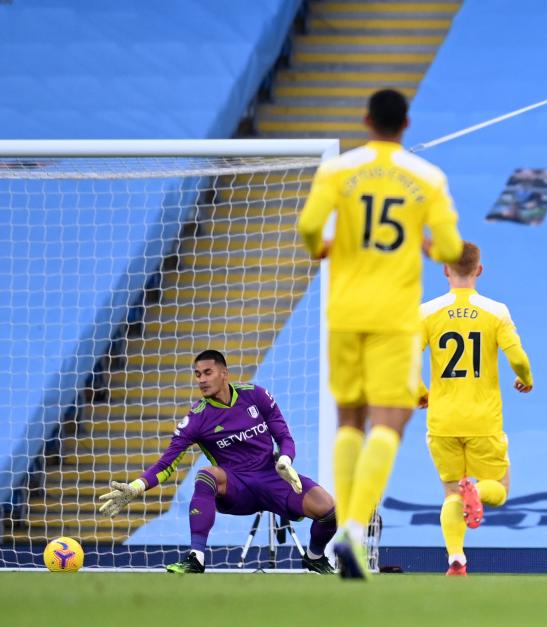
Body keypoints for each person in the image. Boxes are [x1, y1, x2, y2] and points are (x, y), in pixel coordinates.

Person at [296, 88, 464, 579]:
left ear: (366, 120)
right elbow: (451, 245)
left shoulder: (338, 170)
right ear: (406, 124)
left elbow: (308, 227)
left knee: (350, 420)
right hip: (394, 315)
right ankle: (350, 529)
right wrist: (430, 246)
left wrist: (323, 245)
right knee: (390, 423)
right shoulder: (426, 177)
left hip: (345, 310)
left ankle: (344, 529)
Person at [98, 350, 337, 574]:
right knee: (207, 474)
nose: (201, 379)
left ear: (224, 373)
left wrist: (285, 459)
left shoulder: (256, 395)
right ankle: (196, 558)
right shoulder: (196, 419)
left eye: (207, 373)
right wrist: (136, 487)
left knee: (329, 509)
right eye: (197, 374)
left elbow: (284, 437)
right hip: (236, 487)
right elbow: (166, 464)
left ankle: (314, 557)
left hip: (273, 477)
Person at [418, 242, 533, 576]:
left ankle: (456, 558)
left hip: (442, 420)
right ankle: (477, 493)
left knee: (451, 493)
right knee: (498, 489)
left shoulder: (427, 312)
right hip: (483, 419)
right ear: (479, 270)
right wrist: (525, 378)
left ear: (445, 270)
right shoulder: (495, 311)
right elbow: (518, 359)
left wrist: (419, 391)